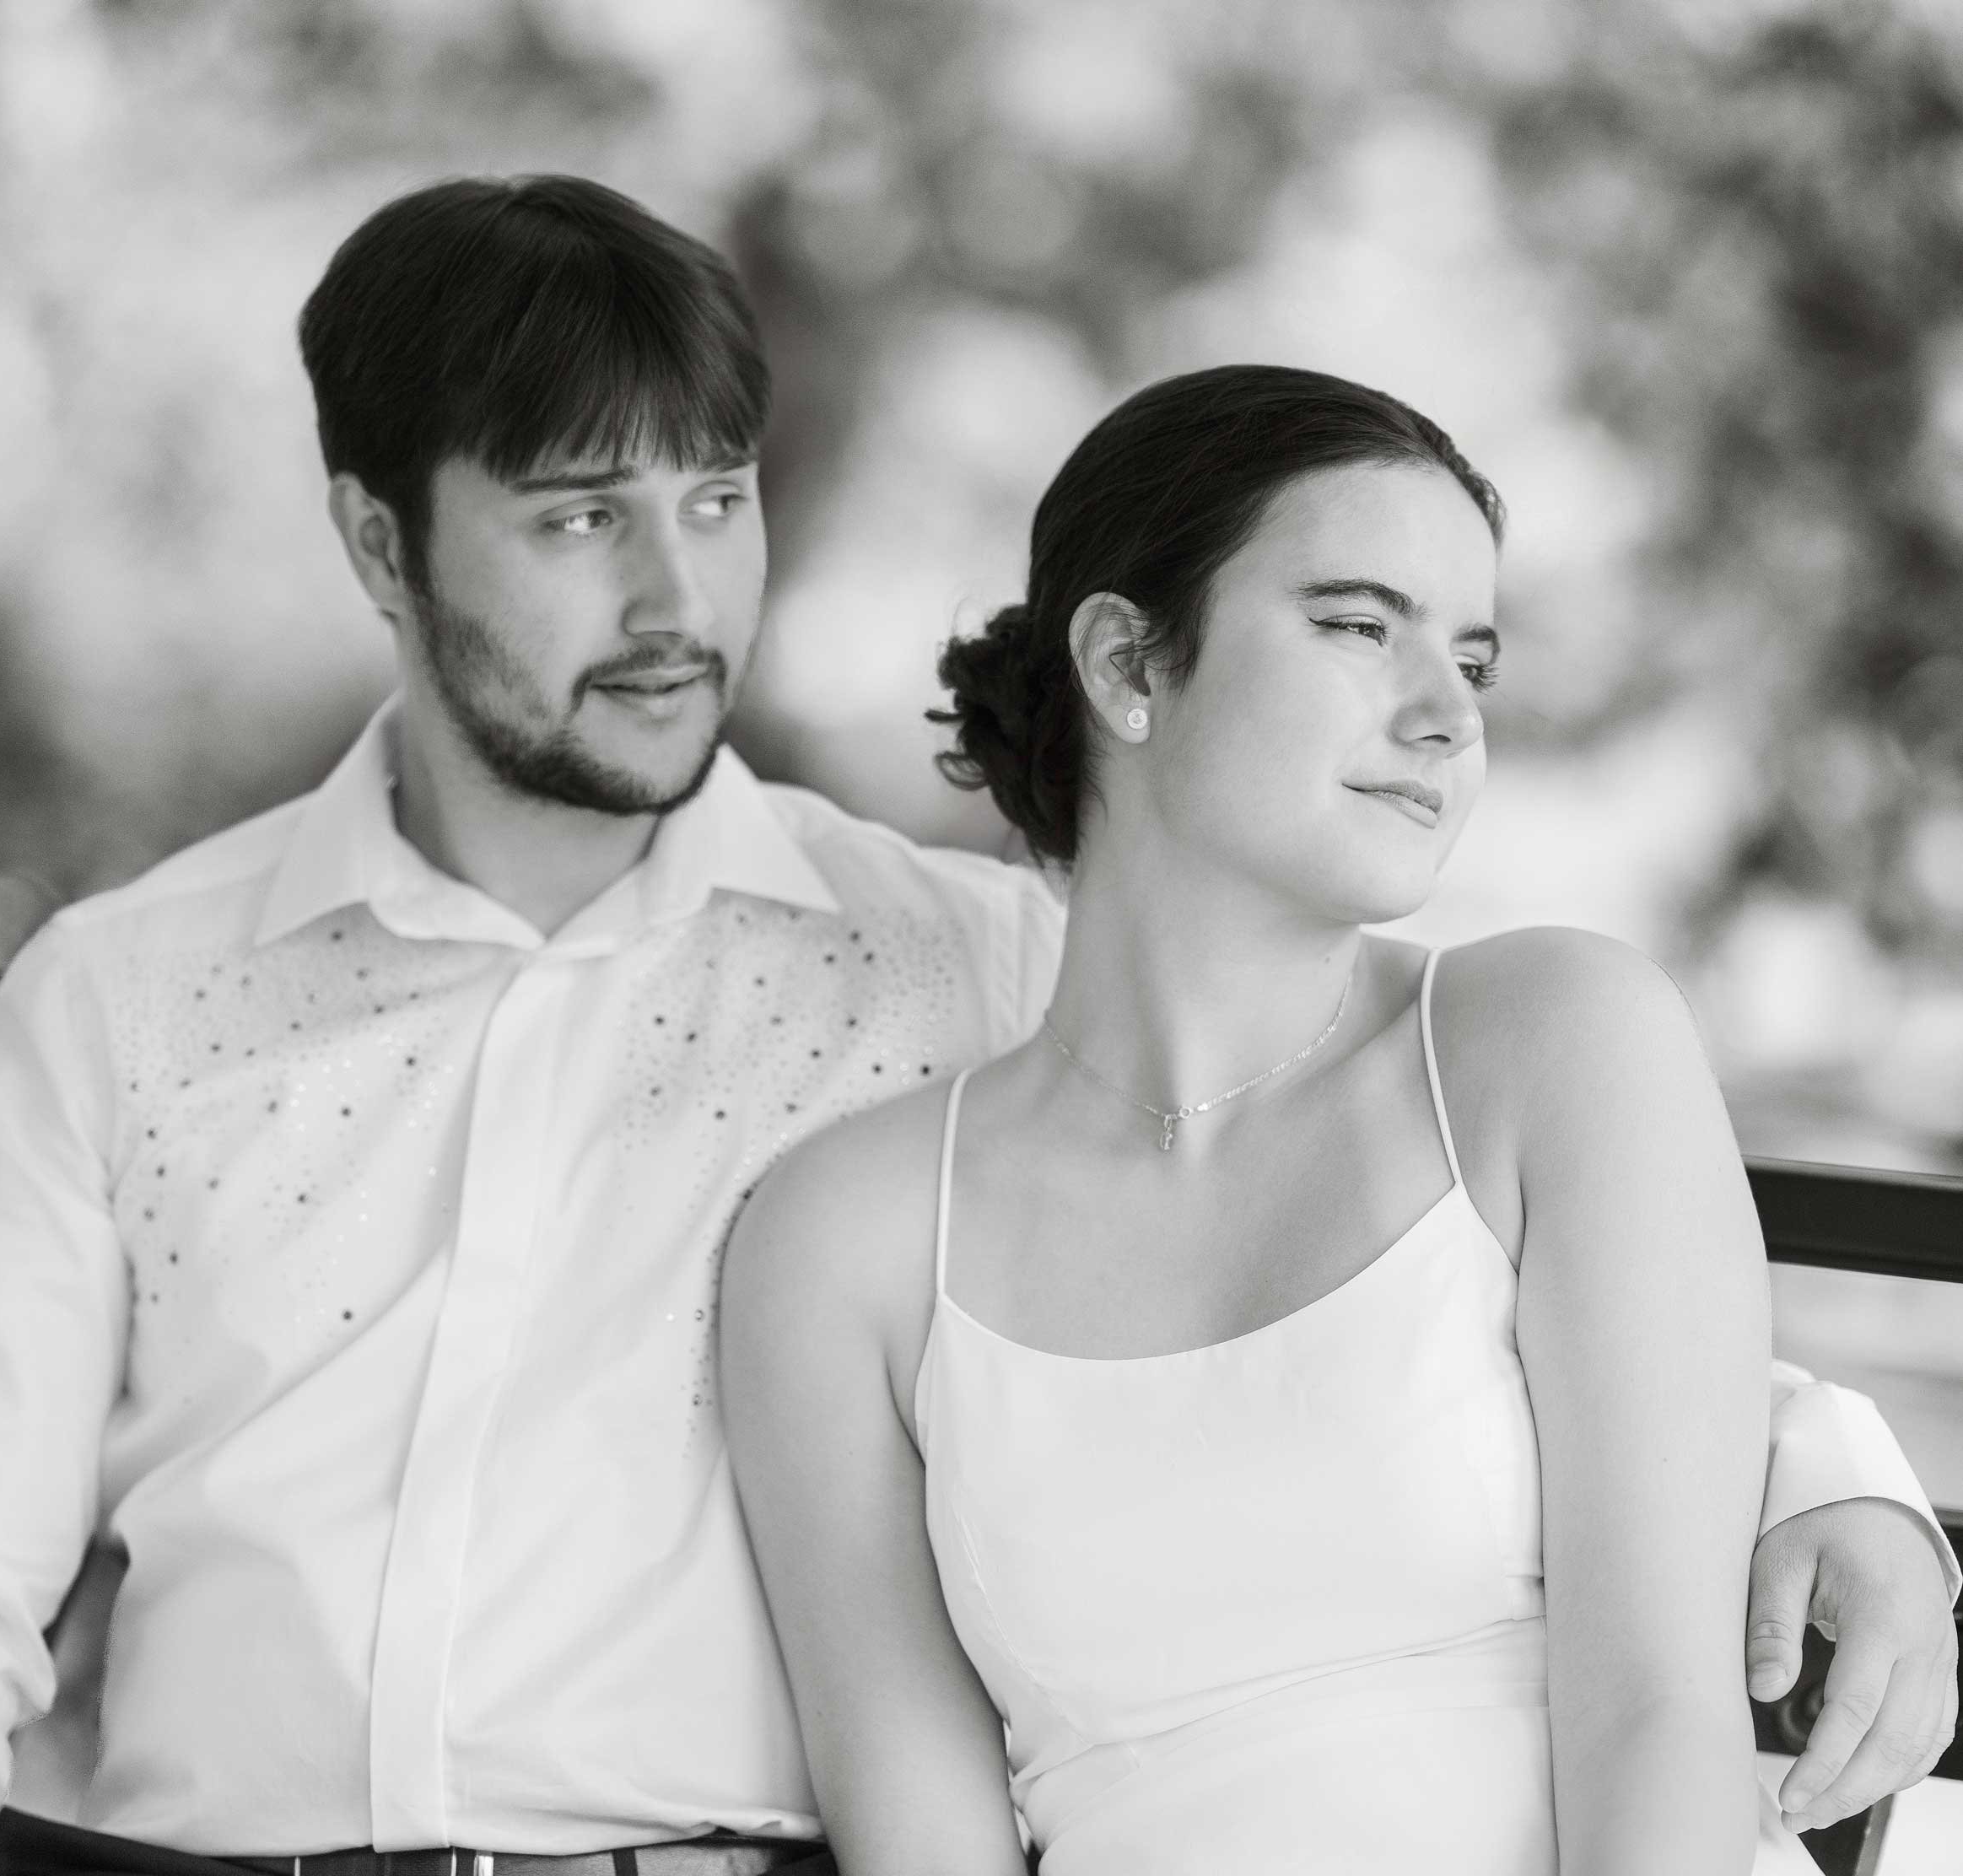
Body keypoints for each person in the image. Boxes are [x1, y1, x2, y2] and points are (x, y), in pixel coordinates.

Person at [0, 181, 1948, 1876]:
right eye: (583, 514)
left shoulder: (953, 960)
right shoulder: (131, 996)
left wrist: (1821, 1461)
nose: (677, 591)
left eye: (718, 497)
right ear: (379, 541)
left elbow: (1386, 1225)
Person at [718, 365, 1963, 1874]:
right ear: (1127, 663)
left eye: (1478, 662)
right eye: (1360, 627)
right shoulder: (841, 1240)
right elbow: (924, 1843)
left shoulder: (1554, 1042)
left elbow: (1658, 1718)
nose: (1446, 719)